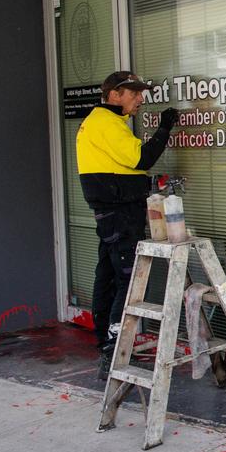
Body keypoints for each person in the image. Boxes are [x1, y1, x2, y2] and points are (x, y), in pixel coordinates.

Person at [76, 71, 178, 377]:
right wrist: (165, 126)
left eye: (140, 93)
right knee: (127, 278)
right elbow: (142, 159)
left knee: (107, 275)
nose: (140, 99)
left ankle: (104, 340)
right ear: (114, 94)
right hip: (120, 215)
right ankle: (113, 347)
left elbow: (119, 170)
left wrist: (145, 186)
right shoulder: (106, 124)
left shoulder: (101, 123)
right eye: (133, 93)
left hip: (112, 213)